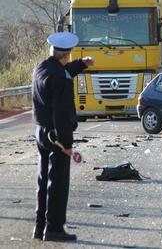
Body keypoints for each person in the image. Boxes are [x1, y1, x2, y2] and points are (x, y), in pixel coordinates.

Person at [31, 32, 94, 242]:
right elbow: (62, 112)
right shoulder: (61, 79)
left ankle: (40, 227)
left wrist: (81, 64)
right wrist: (66, 144)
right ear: (66, 55)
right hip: (56, 135)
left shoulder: (42, 68)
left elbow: (60, 73)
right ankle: (55, 229)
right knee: (58, 184)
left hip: (41, 132)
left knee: (43, 180)